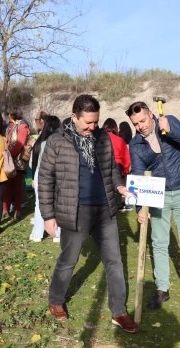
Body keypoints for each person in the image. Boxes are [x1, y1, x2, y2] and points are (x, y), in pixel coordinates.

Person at [39, 94, 138, 333]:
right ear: (74, 116)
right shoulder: (56, 141)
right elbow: (45, 179)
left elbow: (111, 168)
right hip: (75, 212)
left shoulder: (102, 137)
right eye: (88, 123)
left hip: (105, 210)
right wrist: (48, 215)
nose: (93, 127)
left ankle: (119, 312)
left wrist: (119, 185)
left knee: (114, 260)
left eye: (96, 122)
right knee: (68, 260)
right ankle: (56, 300)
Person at [127, 101, 180, 314]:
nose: (140, 126)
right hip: (156, 195)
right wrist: (140, 208)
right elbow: (138, 173)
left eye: (142, 120)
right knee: (159, 243)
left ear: (151, 114)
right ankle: (162, 288)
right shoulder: (135, 144)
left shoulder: (168, 121)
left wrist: (170, 131)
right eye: (135, 124)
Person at [29, 115, 62, 242]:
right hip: (57, 173)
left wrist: (33, 178)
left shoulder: (40, 143)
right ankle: (57, 234)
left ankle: (38, 233)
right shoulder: (61, 142)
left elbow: (33, 163)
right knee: (57, 203)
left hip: (41, 173)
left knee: (40, 203)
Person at [2, 106, 30, 219]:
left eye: (9, 114)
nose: (8, 116)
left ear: (13, 114)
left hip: (18, 162)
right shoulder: (9, 127)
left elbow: (20, 143)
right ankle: (5, 209)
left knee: (17, 186)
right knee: (7, 186)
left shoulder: (22, 126)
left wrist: (10, 155)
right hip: (9, 161)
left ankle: (17, 209)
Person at [103, 118, 132, 212]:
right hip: (117, 165)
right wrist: (126, 171)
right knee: (117, 186)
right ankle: (118, 204)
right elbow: (126, 157)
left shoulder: (99, 138)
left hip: (102, 165)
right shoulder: (119, 140)